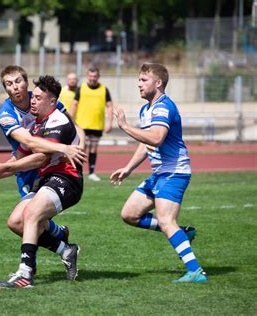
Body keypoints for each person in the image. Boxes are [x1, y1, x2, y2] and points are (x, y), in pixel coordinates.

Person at [110, 63, 207, 283]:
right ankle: (182, 232)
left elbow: (155, 138)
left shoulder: (163, 107)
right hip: (159, 174)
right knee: (129, 214)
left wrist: (124, 126)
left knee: (165, 221)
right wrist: (128, 168)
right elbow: (147, 144)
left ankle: (196, 271)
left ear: (158, 83)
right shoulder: (147, 109)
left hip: (174, 172)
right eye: (139, 79)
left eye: (144, 80)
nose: (139, 84)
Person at [0, 75, 83, 288]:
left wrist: (6, 168)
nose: (33, 101)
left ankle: (25, 274)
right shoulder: (36, 125)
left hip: (67, 179)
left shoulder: (58, 120)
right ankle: (66, 250)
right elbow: (18, 157)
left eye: (38, 98)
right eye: (33, 97)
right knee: (16, 221)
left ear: (52, 101)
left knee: (31, 214)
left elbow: (40, 157)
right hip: (47, 180)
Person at [69, 67, 113, 182]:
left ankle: (92, 172)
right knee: (81, 149)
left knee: (93, 149)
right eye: (91, 76)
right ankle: (77, 171)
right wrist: (70, 120)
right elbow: (74, 104)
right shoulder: (81, 88)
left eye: (95, 76)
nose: (93, 78)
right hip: (82, 125)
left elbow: (109, 106)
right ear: (87, 76)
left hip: (97, 125)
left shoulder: (104, 89)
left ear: (98, 76)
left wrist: (110, 122)